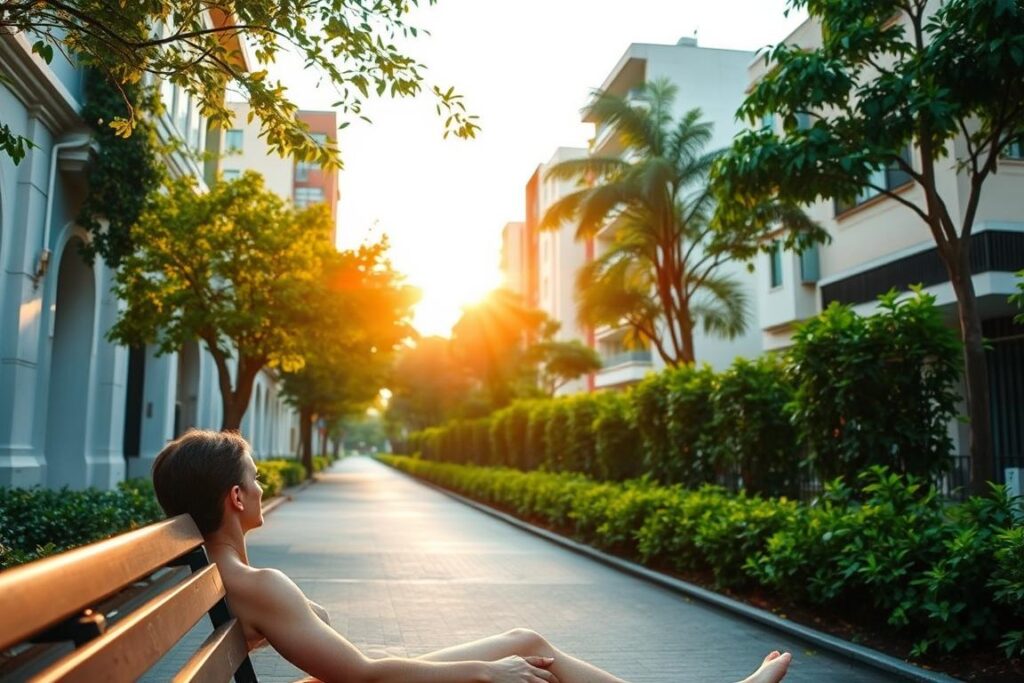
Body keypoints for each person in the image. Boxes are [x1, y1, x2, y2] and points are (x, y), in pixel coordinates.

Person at [152, 430, 793, 683]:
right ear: (236, 498)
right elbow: (367, 677)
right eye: (257, 478)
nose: (266, 487)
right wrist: (484, 676)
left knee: (525, 639)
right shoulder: (255, 579)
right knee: (522, 658)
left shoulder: (231, 575)